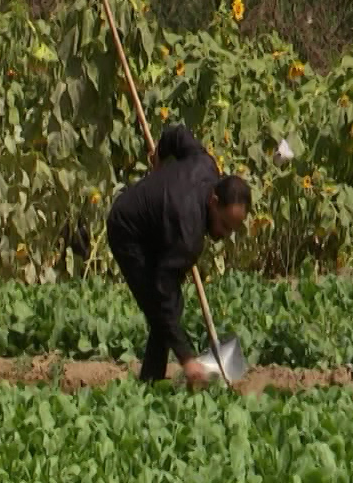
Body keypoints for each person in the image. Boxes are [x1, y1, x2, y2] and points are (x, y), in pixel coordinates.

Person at [106, 124, 251, 386]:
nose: (225, 234)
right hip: (127, 229)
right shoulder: (188, 236)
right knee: (162, 307)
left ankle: (151, 380)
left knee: (171, 306)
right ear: (214, 201)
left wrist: (160, 156)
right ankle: (151, 382)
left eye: (232, 228)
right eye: (224, 225)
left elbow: (178, 134)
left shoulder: (206, 164)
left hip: (156, 224)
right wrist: (187, 358)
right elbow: (162, 291)